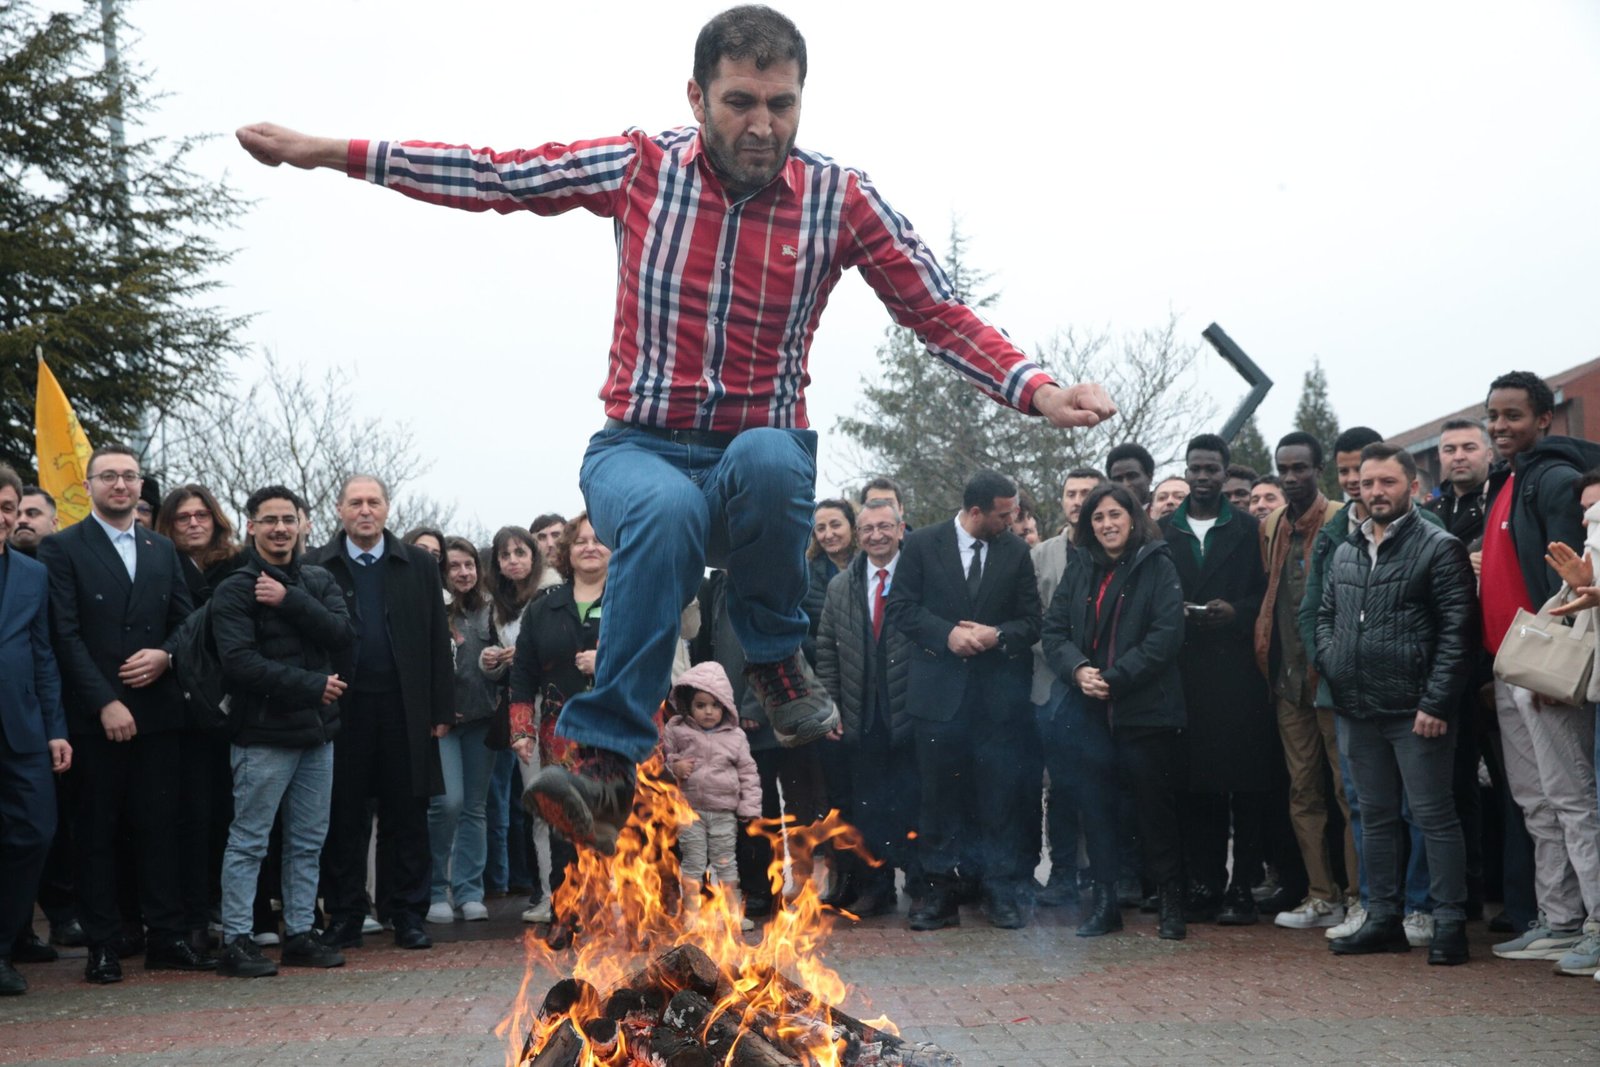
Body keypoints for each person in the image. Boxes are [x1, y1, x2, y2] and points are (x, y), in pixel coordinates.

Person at [236, 4, 1115, 855]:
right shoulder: (641, 167)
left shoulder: (838, 199)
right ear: (696, 98)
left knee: (771, 453)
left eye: (782, 104)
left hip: (755, 467)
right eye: (740, 102)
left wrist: (1035, 389)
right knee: (664, 511)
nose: (762, 126)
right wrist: (332, 153)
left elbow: (936, 309)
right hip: (638, 449)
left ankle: (774, 657)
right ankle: (605, 758)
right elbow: (497, 175)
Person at [37, 444, 207, 982]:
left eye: (129, 476)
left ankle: (166, 938)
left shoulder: (161, 548)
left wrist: (166, 655)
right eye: (109, 476)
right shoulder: (61, 548)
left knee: (160, 829)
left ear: (140, 485)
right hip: (95, 719)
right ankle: (104, 946)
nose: (120, 484)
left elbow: (187, 621)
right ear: (89, 485)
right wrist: (105, 702)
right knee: (97, 836)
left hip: (158, 714)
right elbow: (63, 635)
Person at [1316, 443, 1476, 965]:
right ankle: (1382, 918)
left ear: (1412, 486)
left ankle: (1449, 923)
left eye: (1387, 482)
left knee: (1433, 816)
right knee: (1374, 816)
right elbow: (1326, 615)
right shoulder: (1346, 549)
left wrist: (1437, 702)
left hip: (1416, 711)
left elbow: (1459, 632)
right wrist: (1333, 662)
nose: (1376, 492)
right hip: (1356, 707)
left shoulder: (1439, 546)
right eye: (1368, 483)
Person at [1476, 372, 1600, 963]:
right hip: (1513, 667)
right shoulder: (1509, 478)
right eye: (1493, 415)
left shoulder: (1551, 479)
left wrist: (1557, 662)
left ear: (1545, 419)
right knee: (1537, 801)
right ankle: (1559, 918)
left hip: (1546, 668)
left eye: (1514, 415)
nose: (1500, 426)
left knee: (1571, 799)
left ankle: (1592, 924)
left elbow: (1570, 581)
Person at [888, 470, 1041, 931]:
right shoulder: (922, 545)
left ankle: (998, 891)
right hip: (938, 701)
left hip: (998, 703)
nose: (1011, 522)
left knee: (998, 800)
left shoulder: (1015, 552)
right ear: (976, 512)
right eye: (1004, 514)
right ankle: (938, 894)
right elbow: (900, 609)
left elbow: (1032, 621)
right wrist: (946, 635)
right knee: (937, 800)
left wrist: (998, 635)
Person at [210, 486, 354, 977]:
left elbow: (342, 634)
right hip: (262, 736)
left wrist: (289, 599)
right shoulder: (235, 588)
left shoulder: (317, 579)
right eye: (269, 520)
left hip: (317, 736)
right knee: (250, 840)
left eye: (288, 519)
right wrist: (313, 686)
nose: (280, 528)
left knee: (307, 841)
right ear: (251, 526)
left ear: (302, 524)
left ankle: (299, 934)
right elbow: (239, 663)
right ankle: (236, 940)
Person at [308, 474, 453, 952]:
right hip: (341, 709)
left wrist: (441, 707)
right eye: (355, 503)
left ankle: (407, 914)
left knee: (407, 814)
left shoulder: (418, 564)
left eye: (373, 502)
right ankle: (346, 914)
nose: (365, 510)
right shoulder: (316, 565)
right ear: (339, 510)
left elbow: (437, 638)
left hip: (405, 708)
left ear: (388, 508)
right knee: (344, 815)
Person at [1043, 483, 1187, 939]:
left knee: (1154, 810)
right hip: (1088, 710)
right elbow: (1053, 632)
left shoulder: (1157, 564)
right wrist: (1078, 671)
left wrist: (1114, 677)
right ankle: (1105, 906)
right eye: (1098, 517)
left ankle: (1171, 903)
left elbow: (1166, 635)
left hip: (1145, 711)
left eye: (1114, 515)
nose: (1107, 524)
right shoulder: (1080, 565)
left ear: (1132, 518)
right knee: (1096, 809)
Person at [1160, 435, 1274, 928]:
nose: (1203, 477)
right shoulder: (1164, 530)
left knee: (1244, 786)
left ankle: (1242, 886)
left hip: (1238, 672)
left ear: (1226, 473)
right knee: (1196, 785)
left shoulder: (1250, 530)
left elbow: (1267, 594)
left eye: (1211, 469)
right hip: (1184, 670)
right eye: (1195, 468)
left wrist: (1237, 613)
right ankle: (1204, 882)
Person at [1255, 432, 1356, 931]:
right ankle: (1322, 895)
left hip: (1332, 681)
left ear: (1319, 470)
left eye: (1300, 468)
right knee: (1303, 792)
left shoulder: (1341, 519)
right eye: (1284, 469)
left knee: (1349, 792)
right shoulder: (1272, 524)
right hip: (1288, 681)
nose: (1291, 477)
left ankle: (1360, 896)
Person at [155, 482, 246, 955]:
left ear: (216, 520)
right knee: (188, 815)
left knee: (227, 815)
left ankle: (222, 908)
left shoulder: (238, 567)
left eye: (201, 515)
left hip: (232, 707)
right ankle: (191, 914)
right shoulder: (158, 565)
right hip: (178, 709)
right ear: (168, 525)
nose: (193, 523)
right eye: (183, 517)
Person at [814, 496, 916, 917]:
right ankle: (878, 887)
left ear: (900, 529)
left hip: (910, 713)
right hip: (863, 715)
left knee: (914, 804)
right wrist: (831, 706)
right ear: (859, 536)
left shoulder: (919, 576)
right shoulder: (842, 586)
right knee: (869, 808)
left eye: (884, 527)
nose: (877, 536)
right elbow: (826, 651)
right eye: (868, 529)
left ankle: (923, 886)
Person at [506, 517, 605, 907]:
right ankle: (567, 916)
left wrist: (607, 663)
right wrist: (521, 729)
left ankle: (630, 921)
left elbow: (654, 664)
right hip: (561, 740)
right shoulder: (543, 607)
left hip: (623, 736)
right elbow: (522, 674)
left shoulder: (632, 602)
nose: (589, 547)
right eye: (580, 541)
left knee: (624, 830)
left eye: (598, 539)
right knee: (566, 832)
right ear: (567, 551)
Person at [0, 464, 71, 996]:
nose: (2, 518)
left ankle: (5, 941)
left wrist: (55, 729)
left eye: (7, 508)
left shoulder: (32, 573)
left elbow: (44, 655)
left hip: (22, 728)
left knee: (35, 831)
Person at [1030, 466, 1105, 908]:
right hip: (1053, 687)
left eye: (1087, 493)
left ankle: (1103, 872)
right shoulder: (1041, 555)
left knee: (1101, 783)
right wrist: (1070, 665)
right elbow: (1034, 621)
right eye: (1071, 493)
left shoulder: (1115, 549)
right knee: (1060, 787)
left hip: (1105, 684)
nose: (1078, 501)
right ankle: (1061, 872)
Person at [425, 537, 502, 926]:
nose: (462, 572)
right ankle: (436, 888)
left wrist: (499, 662)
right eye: (454, 566)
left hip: (482, 720)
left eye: (469, 564)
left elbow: (506, 666)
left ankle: (470, 890)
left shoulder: (491, 611)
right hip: (444, 723)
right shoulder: (433, 608)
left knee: (475, 807)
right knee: (447, 803)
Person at [663, 661, 761, 929]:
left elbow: (748, 773)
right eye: (701, 705)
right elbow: (663, 759)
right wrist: (675, 767)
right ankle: (692, 914)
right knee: (693, 863)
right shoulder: (677, 729)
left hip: (723, 812)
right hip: (689, 812)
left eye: (715, 705)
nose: (708, 711)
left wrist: (749, 807)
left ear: (725, 706)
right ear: (688, 706)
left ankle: (733, 913)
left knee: (726, 862)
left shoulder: (735, 737)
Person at [9, 487, 57, 556]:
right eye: (16, 514)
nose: (22, 520)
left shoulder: (70, 558)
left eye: (32, 513)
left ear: (53, 523)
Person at [1107, 443, 1155, 508]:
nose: (1125, 484)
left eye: (1132, 476)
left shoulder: (1165, 510)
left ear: (1149, 477)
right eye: (1118, 479)